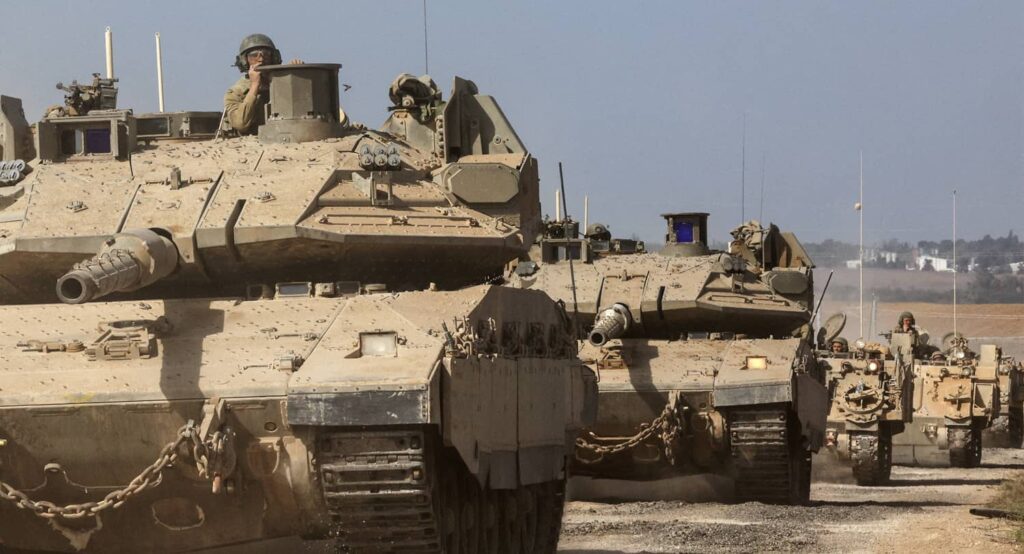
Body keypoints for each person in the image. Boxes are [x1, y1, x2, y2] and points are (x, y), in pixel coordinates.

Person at [223, 34, 301, 135]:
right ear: (244, 60)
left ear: (274, 57)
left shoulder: (282, 84)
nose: (261, 59)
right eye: (254, 55)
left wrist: (296, 78)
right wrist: (255, 85)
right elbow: (240, 124)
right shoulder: (235, 92)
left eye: (266, 54)